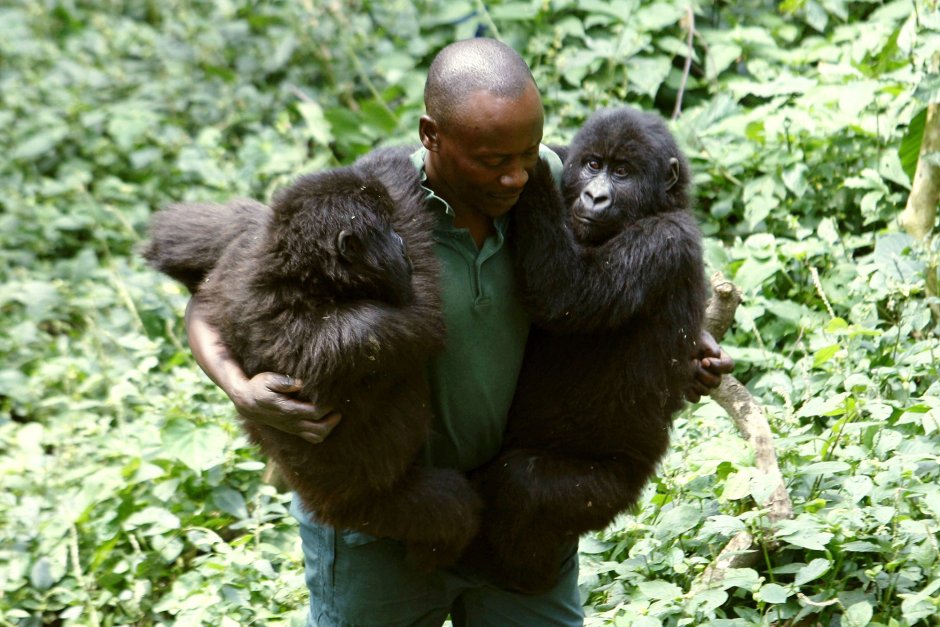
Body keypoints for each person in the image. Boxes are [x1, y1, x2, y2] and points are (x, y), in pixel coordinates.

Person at [185, 38, 732, 627]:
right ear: (431, 135)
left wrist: (674, 338)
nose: (514, 176)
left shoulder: (553, 186)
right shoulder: (367, 206)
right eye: (492, 160)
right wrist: (239, 387)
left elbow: (613, 279)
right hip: (388, 514)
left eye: (528, 153)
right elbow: (211, 297)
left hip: (520, 506)